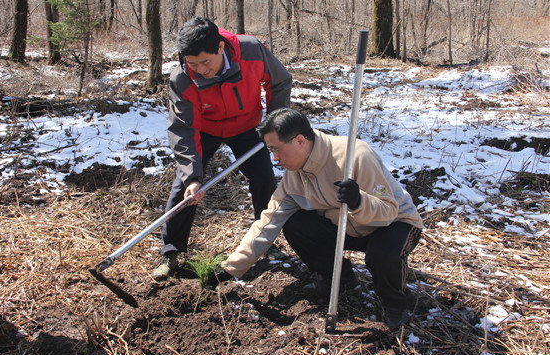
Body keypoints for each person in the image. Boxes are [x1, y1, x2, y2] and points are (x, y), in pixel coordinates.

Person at [213, 108, 424, 330]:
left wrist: (359, 201)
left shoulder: (356, 155)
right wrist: (229, 269)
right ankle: (340, 279)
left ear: (300, 141)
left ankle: (396, 304)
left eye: (276, 150)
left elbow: (388, 211)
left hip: (394, 224)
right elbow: (267, 223)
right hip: (347, 228)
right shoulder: (295, 176)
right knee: (295, 224)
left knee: (382, 254)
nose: (275, 159)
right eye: (271, 151)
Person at [152, 17, 293, 281]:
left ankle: (266, 244)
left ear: (219, 47)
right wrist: (193, 177)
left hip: (248, 125)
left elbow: (280, 81)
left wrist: (274, 124)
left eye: (205, 62)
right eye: (193, 63)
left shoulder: (251, 50)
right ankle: (170, 253)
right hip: (205, 129)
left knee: (263, 178)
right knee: (184, 187)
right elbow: (182, 129)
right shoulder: (182, 77)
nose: (200, 69)